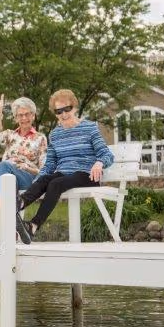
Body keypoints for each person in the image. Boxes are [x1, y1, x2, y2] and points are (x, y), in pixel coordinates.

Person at [16, 89, 114, 244]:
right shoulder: (55, 134)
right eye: (58, 111)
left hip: (86, 174)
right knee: (47, 178)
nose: (63, 114)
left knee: (55, 183)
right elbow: (50, 164)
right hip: (64, 174)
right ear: (55, 113)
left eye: (67, 109)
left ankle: (33, 225)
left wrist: (99, 163)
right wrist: (38, 181)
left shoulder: (89, 128)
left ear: (74, 107)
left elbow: (106, 154)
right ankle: (19, 204)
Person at [0, 90, 47, 236]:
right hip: (9, 179)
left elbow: (43, 169)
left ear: (33, 116)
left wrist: (25, 167)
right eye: (20, 115)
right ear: (15, 118)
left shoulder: (40, 138)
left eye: (27, 114)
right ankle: (13, 231)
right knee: (6, 175)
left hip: (29, 178)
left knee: (3, 166)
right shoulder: (10, 135)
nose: (24, 118)